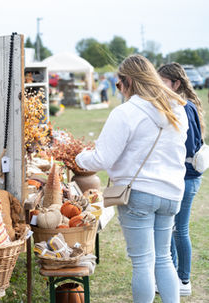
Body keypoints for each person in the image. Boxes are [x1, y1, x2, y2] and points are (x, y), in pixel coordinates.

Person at [75, 54, 187, 303]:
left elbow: (102, 159)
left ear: (128, 81)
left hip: (138, 194)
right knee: (164, 258)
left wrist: (78, 158)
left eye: (118, 84)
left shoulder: (126, 112)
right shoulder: (177, 109)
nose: (119, 89)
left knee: (143, 263)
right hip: (171, 193)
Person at [157, 62, 205, 296]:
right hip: (187, 176)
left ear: (175, 84)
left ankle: (182, 280)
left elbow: (186, 147)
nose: (159, 86)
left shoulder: (182, 108)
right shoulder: (185, 105)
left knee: (178, 229)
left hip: (187, 177)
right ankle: (173, 276)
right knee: (174, 228)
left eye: (163, 82)